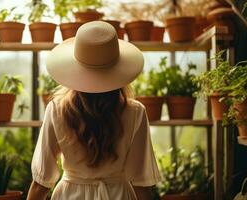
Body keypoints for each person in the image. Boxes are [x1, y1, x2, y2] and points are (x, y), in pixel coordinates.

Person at [27, 21, 161, 200]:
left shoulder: (56, 110)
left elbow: (41, 183)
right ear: (118, 68)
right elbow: (141, 185)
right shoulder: (135, 112)